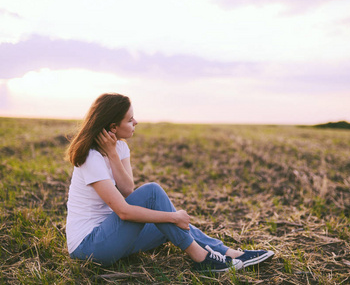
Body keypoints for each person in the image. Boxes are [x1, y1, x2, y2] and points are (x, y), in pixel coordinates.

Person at [65, 93, 274, 272]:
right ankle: (201, 259)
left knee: (167, 225)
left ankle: (231, 253)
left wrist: (112, 154)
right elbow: (124, 212)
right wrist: (173, 216)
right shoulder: (90, 157)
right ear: (113, 126)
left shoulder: (119, 148)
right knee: (152, 193)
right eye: (130, 120)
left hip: (115, 236)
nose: (135, 122)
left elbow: (128, 190)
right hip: (90, 248)